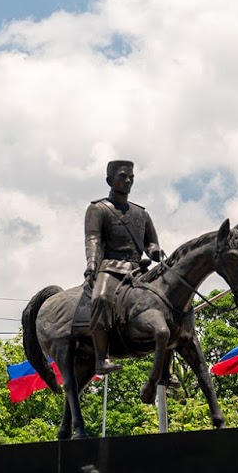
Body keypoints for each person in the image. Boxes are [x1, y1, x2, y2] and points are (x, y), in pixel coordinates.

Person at [76, 159, 164, 373]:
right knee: (101, 298)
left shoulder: (142, 214)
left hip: (138, 270)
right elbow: (93, 239)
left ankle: (165, 369)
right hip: (110, 268)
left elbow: (151, 242)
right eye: (122, 177)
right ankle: (100, 359)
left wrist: (154, 251)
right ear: (109, 180)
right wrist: (92, 264)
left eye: (131, 177)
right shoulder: (98, 209)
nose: (128, 181)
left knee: (166, 300)